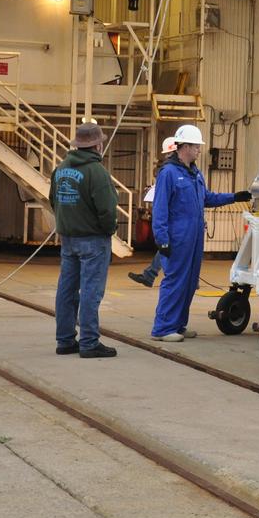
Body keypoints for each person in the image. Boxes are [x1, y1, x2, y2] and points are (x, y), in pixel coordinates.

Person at [150, 124, 251, 341]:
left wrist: (234, 197)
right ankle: (162, 328)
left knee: (189, 282)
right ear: (184, 146)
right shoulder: (168, 174)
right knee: (175, 281)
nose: (199, 150)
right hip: (177, 238)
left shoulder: (195, 173)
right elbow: (159, 209)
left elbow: (207, 198)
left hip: (194, 239)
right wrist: (162, 240)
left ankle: (178, 324)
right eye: (196, 146)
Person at [50, 121, 119, 359]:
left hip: (68, 239)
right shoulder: (97, 172)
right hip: (93, 240)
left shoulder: (60, 169)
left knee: (67, 289)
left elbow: (53, 201)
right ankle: (89, 342)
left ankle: (65, 340)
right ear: (98, 145)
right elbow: (108, 210)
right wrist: (108, 231)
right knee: (91, 291)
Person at [128, 136, 177, 288]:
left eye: (168, 155)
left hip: (176, 219)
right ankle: (150, 275)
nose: (167, 158)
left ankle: (151, 275)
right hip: (175, 218)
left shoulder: (173, 171)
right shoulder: (176, 171)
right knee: (167, 248)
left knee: (172, 248)